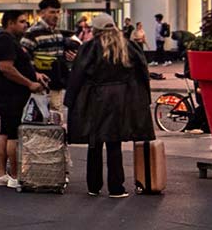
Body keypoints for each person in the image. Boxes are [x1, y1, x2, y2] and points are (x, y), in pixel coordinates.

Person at [64, 19, 153, 198]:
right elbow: (142, 72)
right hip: (122, 97)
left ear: (96, 29)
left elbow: (78, 75)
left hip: (95, 98)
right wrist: (144, 98)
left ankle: (94, 186)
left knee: (94, 141)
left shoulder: (90, 47)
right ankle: (116, 187)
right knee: (115, 141)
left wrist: (71, 100)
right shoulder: (128, 46)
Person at [0, 7, 46, 192]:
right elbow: (6, 67)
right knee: (13, 133)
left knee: (5, 132)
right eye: (22, 21)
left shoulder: (9, 41)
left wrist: (35, 75)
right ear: (10, 23)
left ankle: (0, 174)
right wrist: (29, 83)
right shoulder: (6, 41)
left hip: (7, 94)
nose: (26, 25)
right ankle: (14, 175)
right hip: (11, 94)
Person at [24, 0, 75, 116]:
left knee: (57, 117)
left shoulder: (57, 32)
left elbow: (58, 57)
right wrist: (35, 76)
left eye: (58, 12)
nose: (56, 15)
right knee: (43, 119)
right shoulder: (32, 33)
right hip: (41, 87)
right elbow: (25, 58)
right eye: (52, 12)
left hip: (57, 84)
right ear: (42, 13)